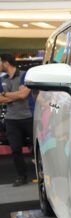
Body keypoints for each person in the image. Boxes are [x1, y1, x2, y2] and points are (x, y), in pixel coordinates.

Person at [0, 54, 34, 186]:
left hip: (28, 116)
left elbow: (24, 94)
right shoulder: (2, 79)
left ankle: (44, 172)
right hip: (11, 119)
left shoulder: (25, 75)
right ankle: (22, 176)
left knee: (36, 147)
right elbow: (1, 98)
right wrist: (16, 95)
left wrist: (5, 94)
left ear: (6, 63)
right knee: (15, 149)